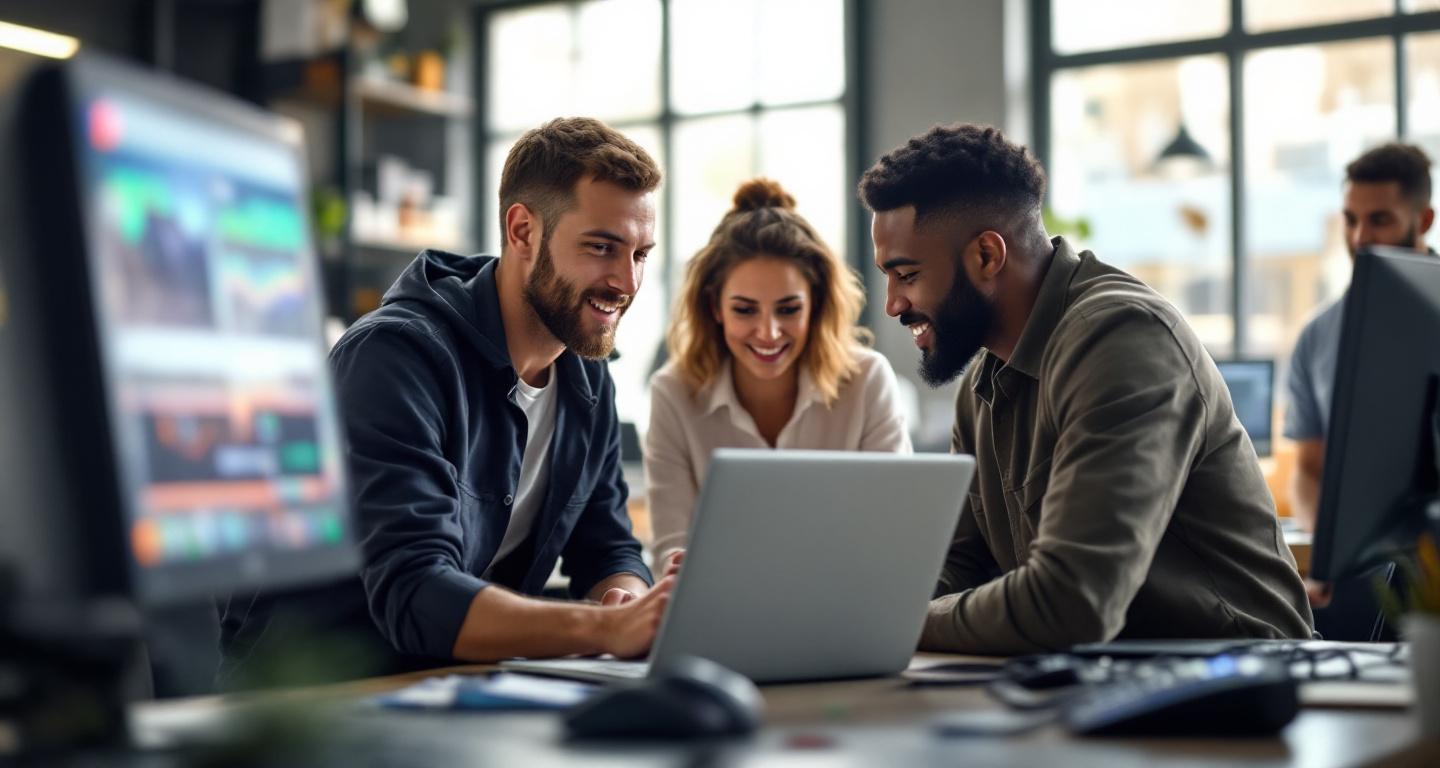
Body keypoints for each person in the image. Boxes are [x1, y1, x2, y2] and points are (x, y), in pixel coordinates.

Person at [220, 117, 675, 686]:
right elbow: (416, 593)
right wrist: (603, 631)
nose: (626, 282)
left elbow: (606, 545)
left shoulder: (587, 378)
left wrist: (628, 604)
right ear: (523, 231)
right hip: (312, 706)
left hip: (455, 692)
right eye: (602, 247)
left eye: (639, 254)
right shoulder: (393, 359)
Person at [859, 123, 1313, 654]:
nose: (892, 304)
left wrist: (899, 620)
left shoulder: (1123, 338)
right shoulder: (982, 384)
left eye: (907, 274)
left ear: (986, 256)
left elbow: (1070, 603)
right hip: (1093, 684)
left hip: (1238, 687)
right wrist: (865, 613)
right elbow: (962, 568)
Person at [645, 179, 910, 564]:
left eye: (788, 309)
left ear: (815, 305)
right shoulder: (673, 392)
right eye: (745, 309)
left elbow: (895, 532)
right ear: (715, 307)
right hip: (723, 615)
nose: (768, 333)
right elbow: (672, 550)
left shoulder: (868, 381)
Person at [1286, 144, 1435, 537]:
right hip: (1359, 564)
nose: (1359, 237)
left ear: (1424, 220)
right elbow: (1308, 470)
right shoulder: (1317, 335)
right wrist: (1325, 552)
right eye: (1350, 220)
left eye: (1379, 220)